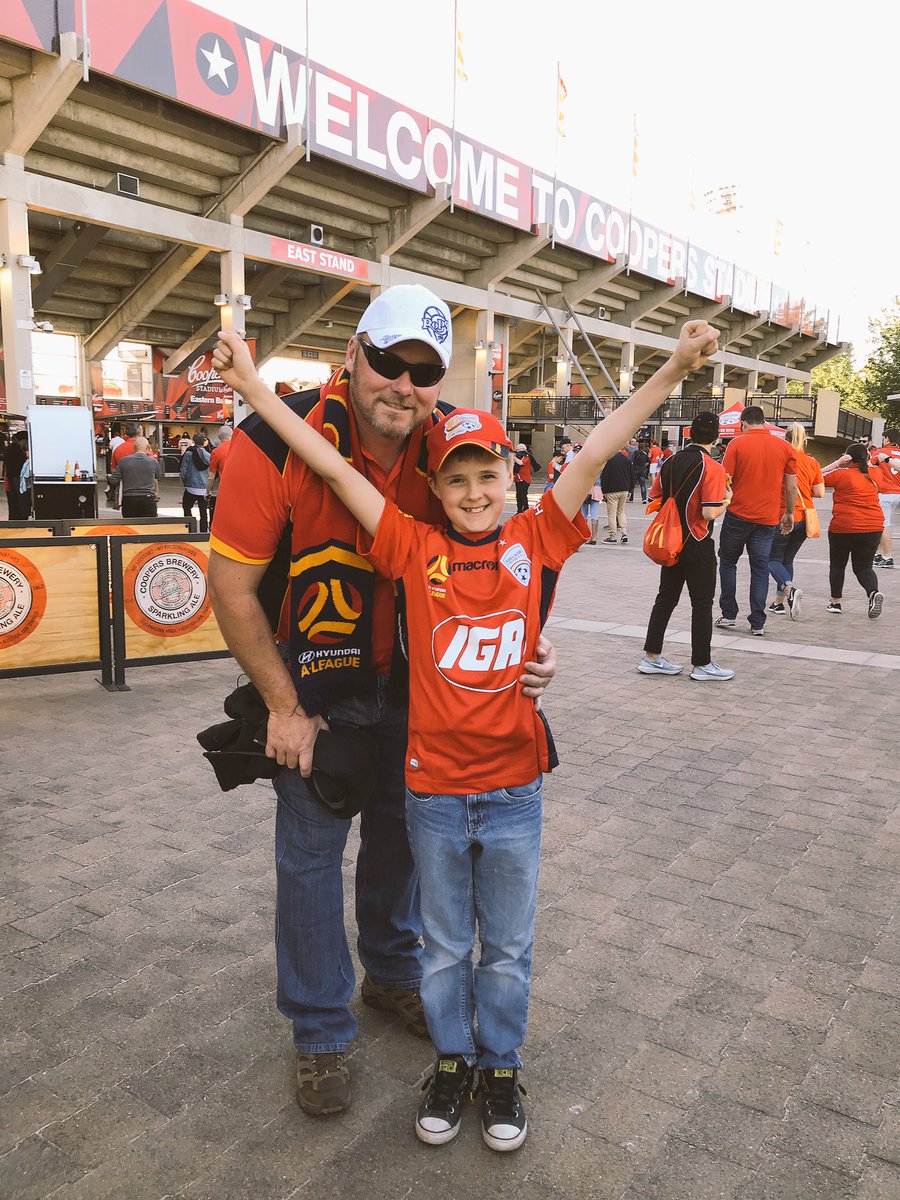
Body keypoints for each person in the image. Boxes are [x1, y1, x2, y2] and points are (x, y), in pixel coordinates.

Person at [212, 312, 721, 1151]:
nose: (475, 491)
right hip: (381, 739)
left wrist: (671, 367)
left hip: (503, 782)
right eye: (459, 480)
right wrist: (253, 390)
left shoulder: (532, 535)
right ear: (436, 491)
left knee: (481, 930)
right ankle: (368, 1041)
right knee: (383, 900)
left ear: (510, 479)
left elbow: (598, 447)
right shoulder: (410, 543)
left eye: (490, 474)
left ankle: (475, 1044)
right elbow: (332, 470)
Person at [205, 285, 558, 1121]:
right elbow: (231, 587)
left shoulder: (451, 448)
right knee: (311, 853)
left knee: (407, 840)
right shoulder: (273, 437)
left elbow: (510, 554)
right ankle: (321, 1030)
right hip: (315, 683)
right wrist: (283, 709)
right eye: (388, 362)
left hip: (423, 692)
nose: (403, 384)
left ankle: (392, 975)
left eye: (423, 371)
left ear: (440, 381)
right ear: (353, 353)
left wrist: (536, 649)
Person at [639, 412, 734, 681]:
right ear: (716, 437)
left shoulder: (670, 461)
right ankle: (702, 664)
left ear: (690, 432)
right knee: (702, 604)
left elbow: (655, 496)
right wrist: (727, 499)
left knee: (665, 599)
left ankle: (652, 657)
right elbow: (708, 513)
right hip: (697, 541)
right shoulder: (713, 468)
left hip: (671, 539)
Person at [715, 406, 798, 636]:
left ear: (743, 423)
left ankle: (729, 614)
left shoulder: (737, 444)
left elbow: (725, 480)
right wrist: (789, 512)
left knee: (728, 562)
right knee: (760, 567)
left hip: (738, 515)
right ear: (764, 422)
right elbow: (791, 486)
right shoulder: (784, 447)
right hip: (768, 518)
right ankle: (758, 622)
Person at [767, 423, 825, 619]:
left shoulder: (779, 460)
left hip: (782, 515)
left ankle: (790, 590)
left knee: (772, 559)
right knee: (787, 560)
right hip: (805, 518)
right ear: (805, 440)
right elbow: (819, 492)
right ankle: (779, 603)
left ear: (785, 439)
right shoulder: (812, 462)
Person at [820, 445, 885, 618]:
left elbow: (815, 477)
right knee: (864, 567)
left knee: (837, 565)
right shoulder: (876, 473)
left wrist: (836, 463)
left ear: (848, 458)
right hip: (873, 527)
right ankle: (873, 593)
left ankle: (836, 603)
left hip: (844, 527)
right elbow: (873, 466)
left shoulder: (841, 474)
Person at [107, 436, 162, 517]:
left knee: (130, 526)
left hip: (129, 499)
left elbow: (114, 480)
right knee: (149, 527)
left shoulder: (123, 461)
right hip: (148, 499)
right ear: (148, 447)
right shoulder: (153, 462)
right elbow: (157, 476)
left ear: (134, 448)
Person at [870, 427, 900, 568]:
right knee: (885, 524)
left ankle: (887, 557)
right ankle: (878, 555)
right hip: (897, 492)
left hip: (885, 493)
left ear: (887, 438)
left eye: (884, 438)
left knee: (884, 526)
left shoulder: (881, 452)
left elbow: (868, 466)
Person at [599, 446, 631, 543]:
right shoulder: (627, 460)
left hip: (612, 490)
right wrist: (630, 490)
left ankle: (613, 536)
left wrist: (603, 491)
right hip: (624, 489)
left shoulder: (609, 460)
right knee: (621, 511)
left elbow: (605, 476)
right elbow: (631, 475)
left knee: (612, 514)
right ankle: (624, 533)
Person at [180, 431, 210, 532]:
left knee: (187, 507)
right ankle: (203, 531)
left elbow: (184, 469)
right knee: (203, 512)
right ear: (204, 442)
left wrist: (184, 481)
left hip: (191, 487)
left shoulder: (189, 453)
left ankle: (190, 529)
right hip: (204, 488)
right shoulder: (208, 455)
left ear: (193, 441)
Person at [206, 424, 233, 519]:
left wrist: (207, 491)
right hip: (240, 490)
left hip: (224, 490)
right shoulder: (241, 448)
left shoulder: (216, 452)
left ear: (218, 437)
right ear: (232, 435)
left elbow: (211, 476)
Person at [3, 430, 30, 520]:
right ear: (24, 441)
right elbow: (20, 468)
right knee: (18, 505)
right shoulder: (16, 450)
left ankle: (14, 524)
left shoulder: (11, 449)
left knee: (14, 506)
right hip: (15, 481)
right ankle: (18, 524)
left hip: (11, 481)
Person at [512, 442, 540, 514]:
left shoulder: (526, 456)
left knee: (522, 496)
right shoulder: (521, 456)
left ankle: (525, 510)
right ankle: (519, 510)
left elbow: (521, 463)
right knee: (519, 496)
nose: (517, 452)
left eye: (518, 450)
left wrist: (513, 457)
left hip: (524, 479)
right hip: (518, 479)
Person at [581, 473, 603, 544]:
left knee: (583, 514)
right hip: (597, 489)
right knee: (595, 514)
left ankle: (584, 536)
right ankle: (594, 537)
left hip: (586, 489)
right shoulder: (600, 465)